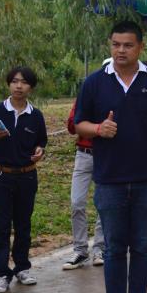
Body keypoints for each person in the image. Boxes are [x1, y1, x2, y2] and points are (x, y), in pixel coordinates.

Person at [75, 20, 147, 293]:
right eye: (116, 44)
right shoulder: (94, 83)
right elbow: (79, 124)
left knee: (142, 247)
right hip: (110, 180)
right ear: (110, 45)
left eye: (128, 45)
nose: (121, 51)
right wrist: (98, 129)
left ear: (140, 47)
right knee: (114, 249)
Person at [0, 67, 48, 293]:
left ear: (31, 87)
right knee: (0, 225)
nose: (19, 86)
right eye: (15, 81)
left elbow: (41, 143)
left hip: (27, 175)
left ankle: (22, 267)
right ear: (8, 84)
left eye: (24, 82)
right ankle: (1, 273)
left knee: (23, 223)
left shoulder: (35, 115)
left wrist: (40, 151)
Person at [63, 101, 104, 270]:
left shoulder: (112, 95)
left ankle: (100, 248)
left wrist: (88, 125)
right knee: (77, 202)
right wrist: (97, 127)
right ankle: (80, 250)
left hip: (107, 154)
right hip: (84, 154)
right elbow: (72, 126)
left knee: (104, 203)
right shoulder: (84, 97)